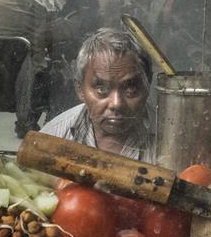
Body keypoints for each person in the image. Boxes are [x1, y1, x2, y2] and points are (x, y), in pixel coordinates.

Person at [39, 27, 154, 162]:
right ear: (80, 89)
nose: (116, 104)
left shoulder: (172, 141)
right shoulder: (53, 138)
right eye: (102, 90)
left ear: (148, 84)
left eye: (130, 90)